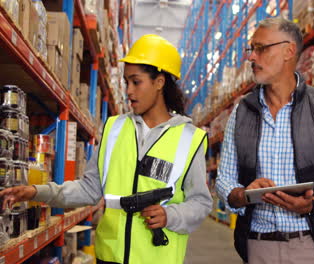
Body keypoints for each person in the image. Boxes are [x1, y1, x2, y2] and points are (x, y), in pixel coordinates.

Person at [0, 34, 213, 264]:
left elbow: (200, 202)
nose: (128, 91)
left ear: (159, 82)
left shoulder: (190, 139)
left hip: (158, 257)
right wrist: (35, 192)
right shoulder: (114, 128)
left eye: (136, 82)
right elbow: (89, 189)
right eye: (126, 82)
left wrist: (170, 215)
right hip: (109, 257)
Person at [215, 17, 314, 264]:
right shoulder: (242, 112)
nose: (252, 58)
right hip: (258, 246)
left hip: (311, 246)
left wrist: (312, 205)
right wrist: (243, 194)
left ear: (289, 51)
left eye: (261, 49)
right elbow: (224, 179)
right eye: (252, 49)